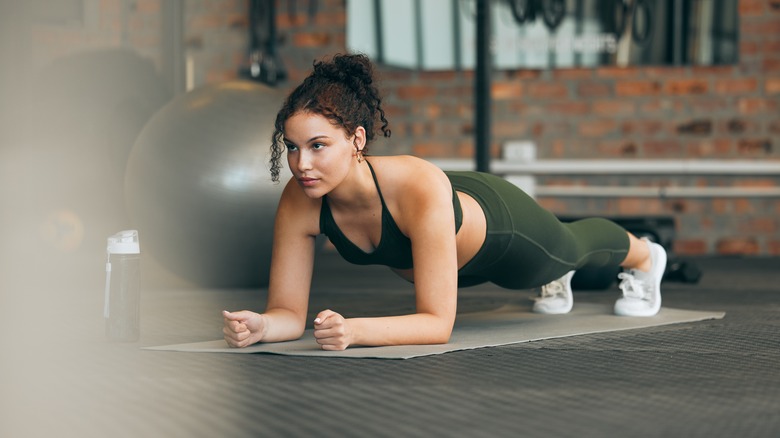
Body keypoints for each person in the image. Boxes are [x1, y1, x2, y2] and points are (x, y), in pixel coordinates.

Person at [222, 53, 667, 351]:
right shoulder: (301, 200)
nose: (302, 163)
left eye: (318, 145)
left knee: (569, 248)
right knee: (550, 268)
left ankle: (648, 256)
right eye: (293, 147)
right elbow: (288, 314)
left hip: (500, 231)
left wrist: (354, 330)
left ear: (356, 139)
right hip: (450, 260)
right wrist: (262, 326)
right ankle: (565, 278)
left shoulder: (415, 185)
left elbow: (437, 324)